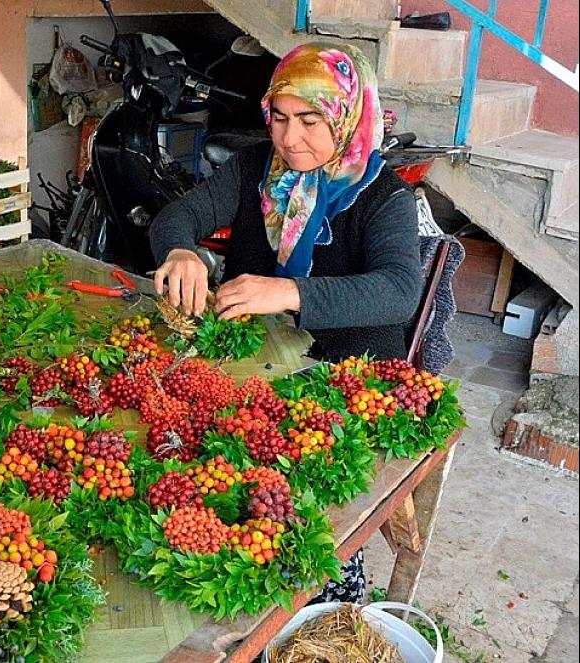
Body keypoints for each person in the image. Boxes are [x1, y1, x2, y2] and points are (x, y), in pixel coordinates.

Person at [149, 42, 422, 603]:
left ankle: (329, 593)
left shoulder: (383, 198)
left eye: (310, 120)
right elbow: (181, 214)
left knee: (305, 487)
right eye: (280, 117)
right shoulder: (257, 168)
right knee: (187, 444)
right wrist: (178, 251)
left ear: (347, 116)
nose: (290, 138)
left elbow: (398, 292)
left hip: (349, 373)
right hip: (261, 358)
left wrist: (290, 291)